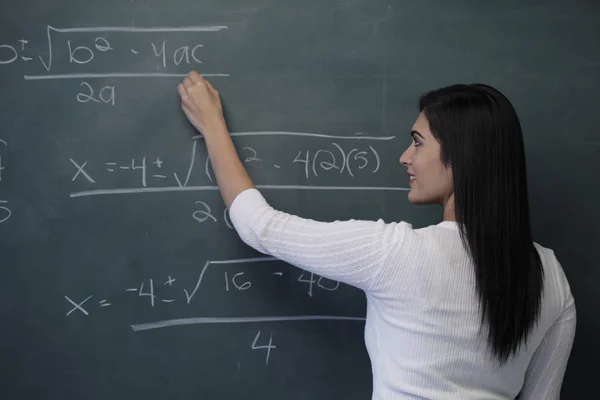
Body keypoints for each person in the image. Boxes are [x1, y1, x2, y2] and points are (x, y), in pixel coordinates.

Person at [177, 71, 576, 399]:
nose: (405, 156)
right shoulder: (551, 276)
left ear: (461, 158)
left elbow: (259, 226)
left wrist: (212, 126)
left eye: (418, 143)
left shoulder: (397, 253)